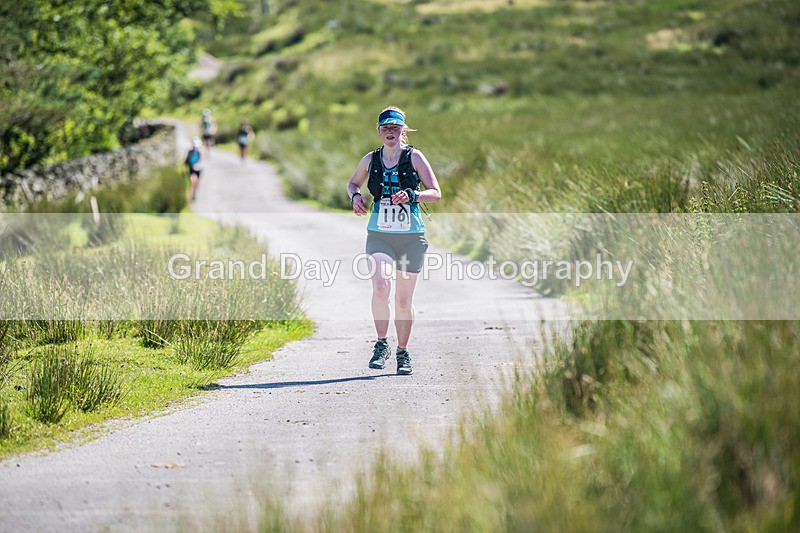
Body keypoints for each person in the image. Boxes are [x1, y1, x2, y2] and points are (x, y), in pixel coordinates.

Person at [347, 107, 442, 375]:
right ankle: (381, 344)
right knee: (380, 287)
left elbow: (435, 193)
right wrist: (355, 197)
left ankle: (402, 351)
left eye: (395, 128)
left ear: (404, 131)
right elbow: (353, 183)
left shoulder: (415, 157)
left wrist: (413, 195)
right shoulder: (371, 159)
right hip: (380, 234)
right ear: (378, 131)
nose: (390, 132)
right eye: (385, 128)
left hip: (411, 236)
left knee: (402, 300)